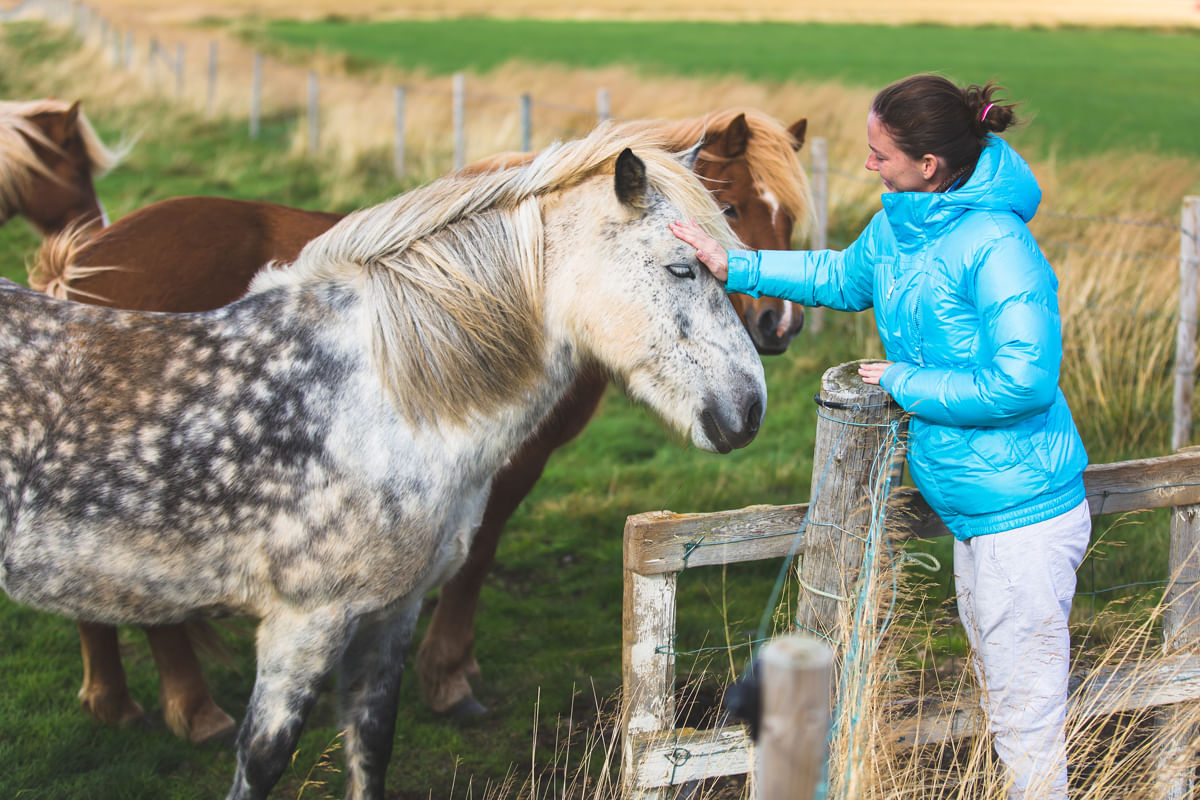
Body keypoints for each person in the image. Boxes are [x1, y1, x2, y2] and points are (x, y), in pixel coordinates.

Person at [671, 74, 1090, 799]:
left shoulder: (998, 244)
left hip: (1026, 514)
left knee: (1026, 715)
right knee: (1005, 696)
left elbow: (1023, 381)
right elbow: (841, 274)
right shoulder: (903, 221)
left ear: (929, 165)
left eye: (880, 154)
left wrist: (904, 383)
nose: (869, 166)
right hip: (977, 508)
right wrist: (735, 263)